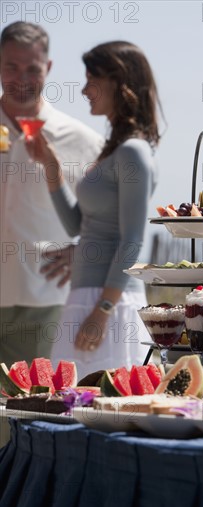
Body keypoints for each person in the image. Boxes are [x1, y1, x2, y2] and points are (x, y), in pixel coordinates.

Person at [27, 40, 162, 379]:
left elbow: (132, 240)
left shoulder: (133, 153)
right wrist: (51, 168)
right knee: (69, 411)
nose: (84, 89)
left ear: (118, 82)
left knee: (100, 411)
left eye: (91, 79)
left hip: (110, 306)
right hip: (87, 300)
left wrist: (102, 312)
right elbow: (78, 226)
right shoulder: (114, 153)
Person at [0, 21, 104, 367]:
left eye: (32, 69)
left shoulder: (83, 141)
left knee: (29, 413)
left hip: (43, 303)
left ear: (48, 68)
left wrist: (85, 250)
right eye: (10, 67)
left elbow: (113, 219)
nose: (21, 79)